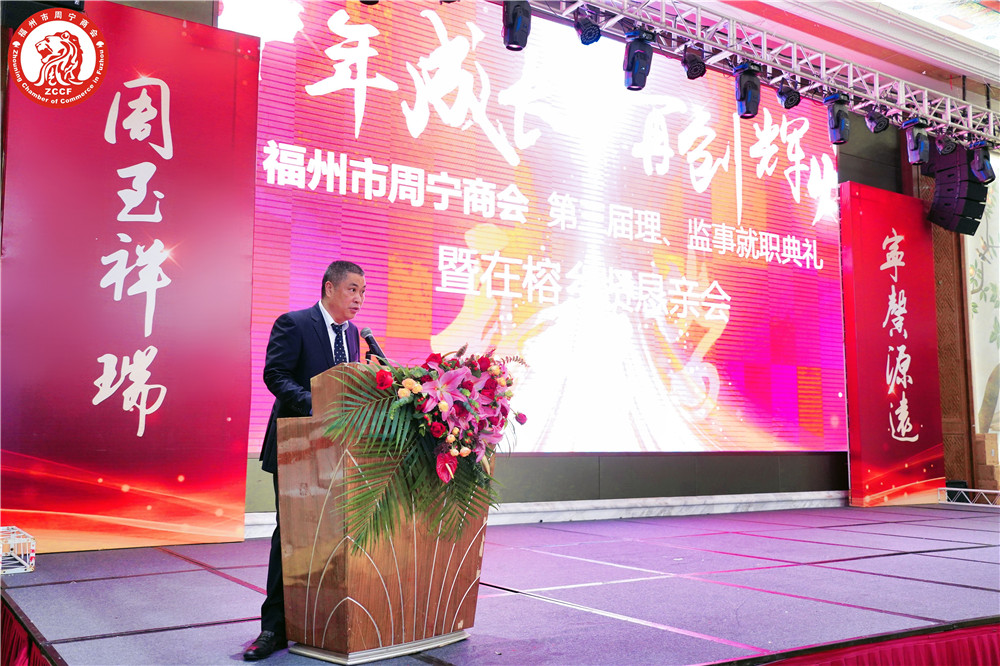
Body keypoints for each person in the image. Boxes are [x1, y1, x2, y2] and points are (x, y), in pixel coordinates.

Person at [244, 260, 366, 661]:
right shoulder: (294, 323)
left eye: (363, 292)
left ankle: (318, 622)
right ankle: (274, 628)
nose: (359, 299)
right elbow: (275, 374)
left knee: (329, 538)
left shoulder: (353, 335)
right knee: (292, 536)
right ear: (330, 287)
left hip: (336, 452)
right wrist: (316, 405)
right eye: (352, 290)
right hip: (296, 447)